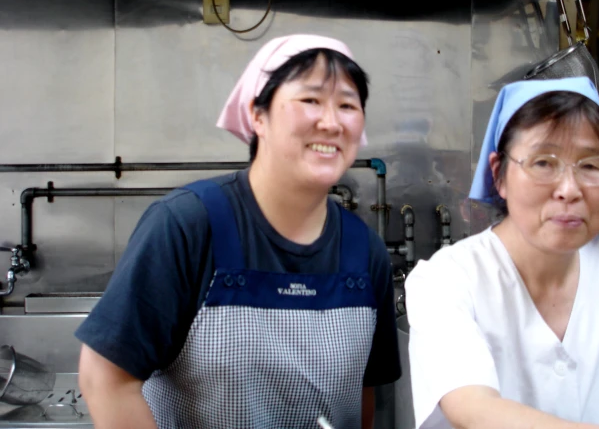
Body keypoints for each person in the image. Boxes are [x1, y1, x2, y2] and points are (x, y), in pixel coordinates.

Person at [75, 34, 401, 429]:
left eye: (347, 105)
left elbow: (364, 395)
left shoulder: (364, 249)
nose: (331, 122)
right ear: (257, 115)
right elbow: (105, 378)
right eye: (311, 100)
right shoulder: (187, 225)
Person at [405, 77, 599, 429]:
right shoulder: (447, 279)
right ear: (500, 175)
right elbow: (473, 409)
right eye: (543, 163)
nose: (569, 190)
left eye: (590, 165)